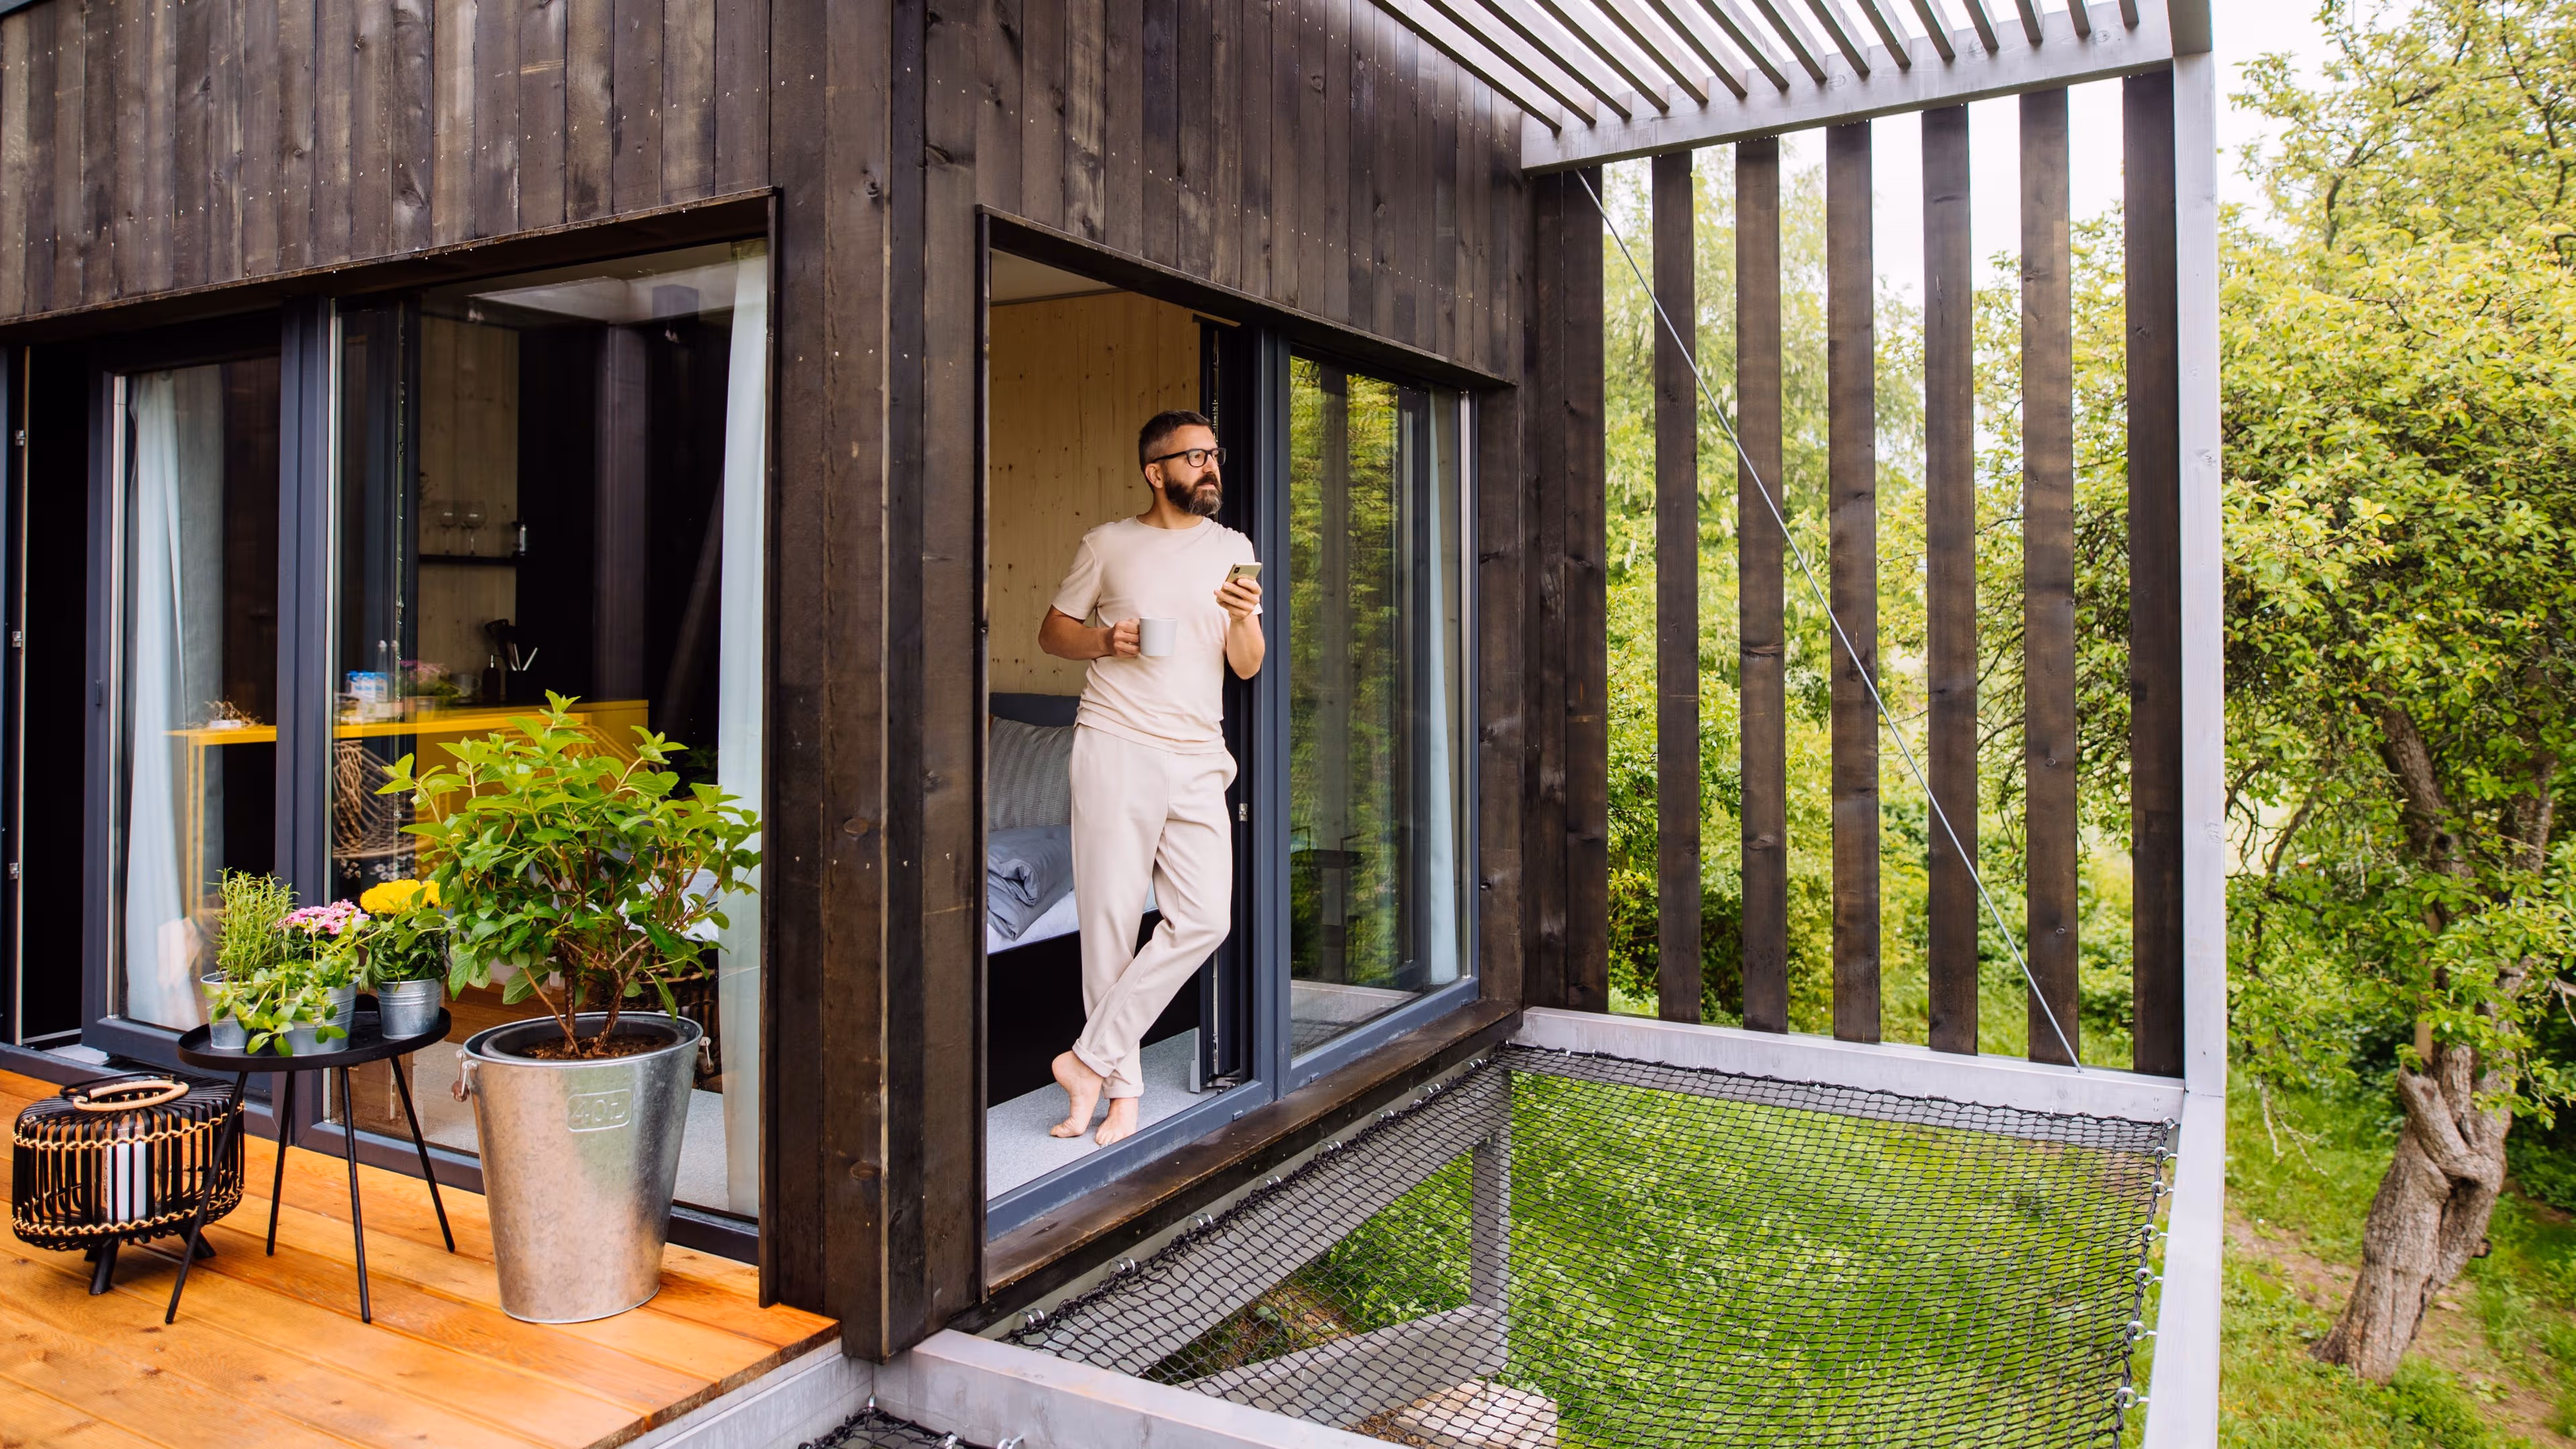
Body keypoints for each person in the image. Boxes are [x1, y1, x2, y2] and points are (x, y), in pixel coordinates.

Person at [1037, 409, 1265, 1146]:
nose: (1211, 466)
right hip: (1116, 743)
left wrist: (1244, 618)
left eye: (1214, 454)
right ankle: (1119, 1096)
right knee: (1108, 923)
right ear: (1155, 471)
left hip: (1199, 752)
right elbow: (1053, 632)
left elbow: (1247, 664)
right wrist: (1106, 639)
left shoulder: (1234, 549)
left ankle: (1087, 1060)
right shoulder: (1107, 545)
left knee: (1204, 918)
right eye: (1194, 456)